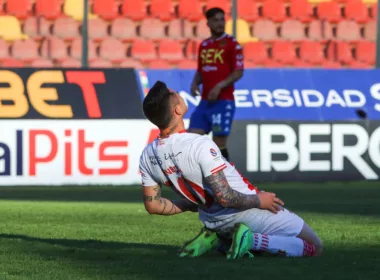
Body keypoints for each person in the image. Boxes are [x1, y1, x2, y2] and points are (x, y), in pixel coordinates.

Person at [139, 81, 323, 259]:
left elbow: (153, 206)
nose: (179, 94)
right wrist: (259, 201)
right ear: (177, 110)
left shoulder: (147, 155)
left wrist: (191, 204)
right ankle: (251, 240)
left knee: (265, 252)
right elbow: (225, 197)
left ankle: (217, 241)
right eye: (175, 94)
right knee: (314, 247)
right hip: (245, 211)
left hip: (212, 219)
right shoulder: (199, 143)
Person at [188, 7, 244, 162]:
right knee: (191, 138)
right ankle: (199, 178)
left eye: (222, 19)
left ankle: (227, 180)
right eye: (215, 20)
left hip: (223, 101)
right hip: (205, 102)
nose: (220, 23)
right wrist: (194, 83)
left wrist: (219, 86)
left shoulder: (232, 44)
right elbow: (201, 70)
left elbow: (238, 72)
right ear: (208, 23)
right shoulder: (204, 45)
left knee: (219, 144)